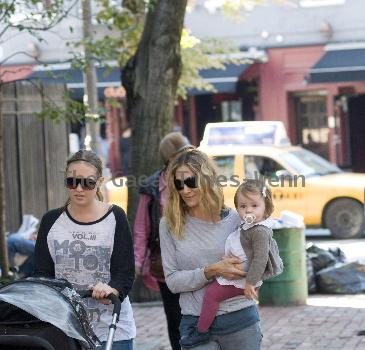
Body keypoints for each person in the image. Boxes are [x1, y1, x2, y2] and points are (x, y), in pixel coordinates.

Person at [160, 149, 263, 350]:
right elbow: (172, 282)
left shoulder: (236, 219)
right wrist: (212, 270)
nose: (185, 190)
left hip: (239, 320)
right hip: (195, 324)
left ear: (207, 179)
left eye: (191, 182)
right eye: (179, 184)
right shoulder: (170, 224)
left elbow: (258, 265)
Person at [34, 150, 136, 350]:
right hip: (65, 329)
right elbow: (42, 275)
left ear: (99, 182)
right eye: (72, 181)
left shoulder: (115, 216)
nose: (78, 188)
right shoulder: (51, 221)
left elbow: (124, 272)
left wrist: (112, 290)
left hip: (112, 329)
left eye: (87, 182)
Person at [181, 179, 283, 348]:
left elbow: (260, 258)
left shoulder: (260, 231)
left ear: (267, 207)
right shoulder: (249, 225)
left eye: (254, 206)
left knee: (211, 295)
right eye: (242, 206)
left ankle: (201, 331)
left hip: (244, 279)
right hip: (240, 274)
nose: (248, 210)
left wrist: (250, 283)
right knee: (212, 291)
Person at [134, 132, 194, 350]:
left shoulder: (198, 179)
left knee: (199, 314)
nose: (187, 157)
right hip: (166, 262)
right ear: (169, 159)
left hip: (197, 258)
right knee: (175, 317)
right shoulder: (151, 187)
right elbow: (142, 228)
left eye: (189, 152)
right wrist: (138, 262)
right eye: (182, 154)